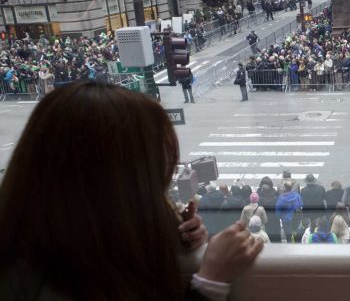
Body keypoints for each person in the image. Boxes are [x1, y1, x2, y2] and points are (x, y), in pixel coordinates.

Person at [0, 81, 262, 300]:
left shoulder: (55, 249)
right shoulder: (43, 283)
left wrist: (167, 233)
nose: (168, 177)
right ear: (113, 182)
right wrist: (210, 282)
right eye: (153, 170)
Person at [257, 177, 282, 243]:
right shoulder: (275, 193)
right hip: (275, 217)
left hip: (266, 217)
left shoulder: (259, 194)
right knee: (277, 233)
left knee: (268, 233)